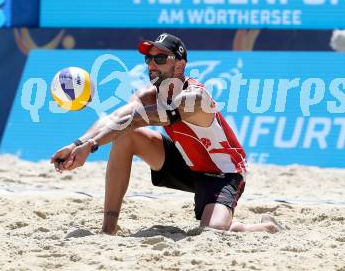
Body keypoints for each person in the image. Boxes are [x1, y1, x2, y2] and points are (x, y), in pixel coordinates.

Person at [50, 33, 281, 235]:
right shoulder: (149, 95)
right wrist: (76, 144)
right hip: (187, 162)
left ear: (179, 66)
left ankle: (263, 227)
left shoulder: (196, 99)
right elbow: (112, 119)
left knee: (213, 231)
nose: (151, 64)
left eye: (160, 58)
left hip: (222, 173)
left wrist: (90, 146)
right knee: (125, 135)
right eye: (148, 58)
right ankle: (108, 228)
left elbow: (133, 119)